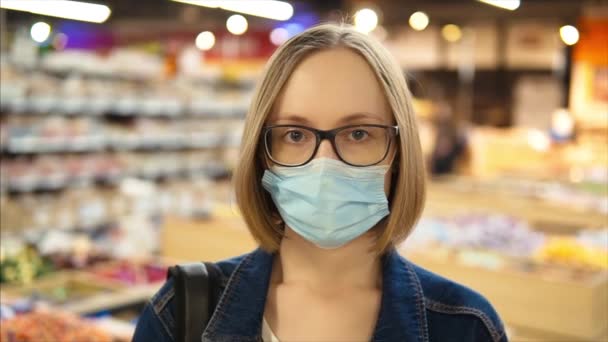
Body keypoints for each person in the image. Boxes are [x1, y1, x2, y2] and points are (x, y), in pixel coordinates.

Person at [133, 23, 507, 342]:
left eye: (358, 134)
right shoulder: (180, 315)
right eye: (295, 135)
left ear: (399, 151)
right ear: (262, 153)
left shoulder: (465, 327)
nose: (324, 164)